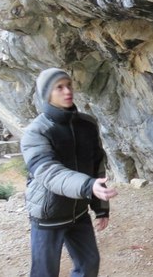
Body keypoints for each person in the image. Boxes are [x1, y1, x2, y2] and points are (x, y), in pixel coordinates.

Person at [20, 68, 118, 277]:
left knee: (89, 265)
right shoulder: (35, 132)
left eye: (69, 85)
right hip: (49, 214)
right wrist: (87, 186)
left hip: (79, 212)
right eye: (59, 87)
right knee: (44, 273)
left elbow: (96, 165)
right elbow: (49, 173)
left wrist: (100, 208)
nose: (67, 91)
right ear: (47, 93)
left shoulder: (88, 124)